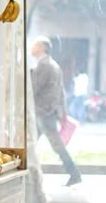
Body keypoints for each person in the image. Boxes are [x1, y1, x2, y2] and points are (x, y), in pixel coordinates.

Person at [31, 36, 82, 186]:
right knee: (31, 144)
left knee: (55, 145)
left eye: (35, 45)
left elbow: (33, 88)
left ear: (42, 48)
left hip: (43, 112)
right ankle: (30, 175)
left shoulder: (45, 66)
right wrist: (62, 112)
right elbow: (61, 91)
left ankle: (74, 173)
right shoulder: (53, 65)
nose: (32, 47)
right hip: (48, 112)